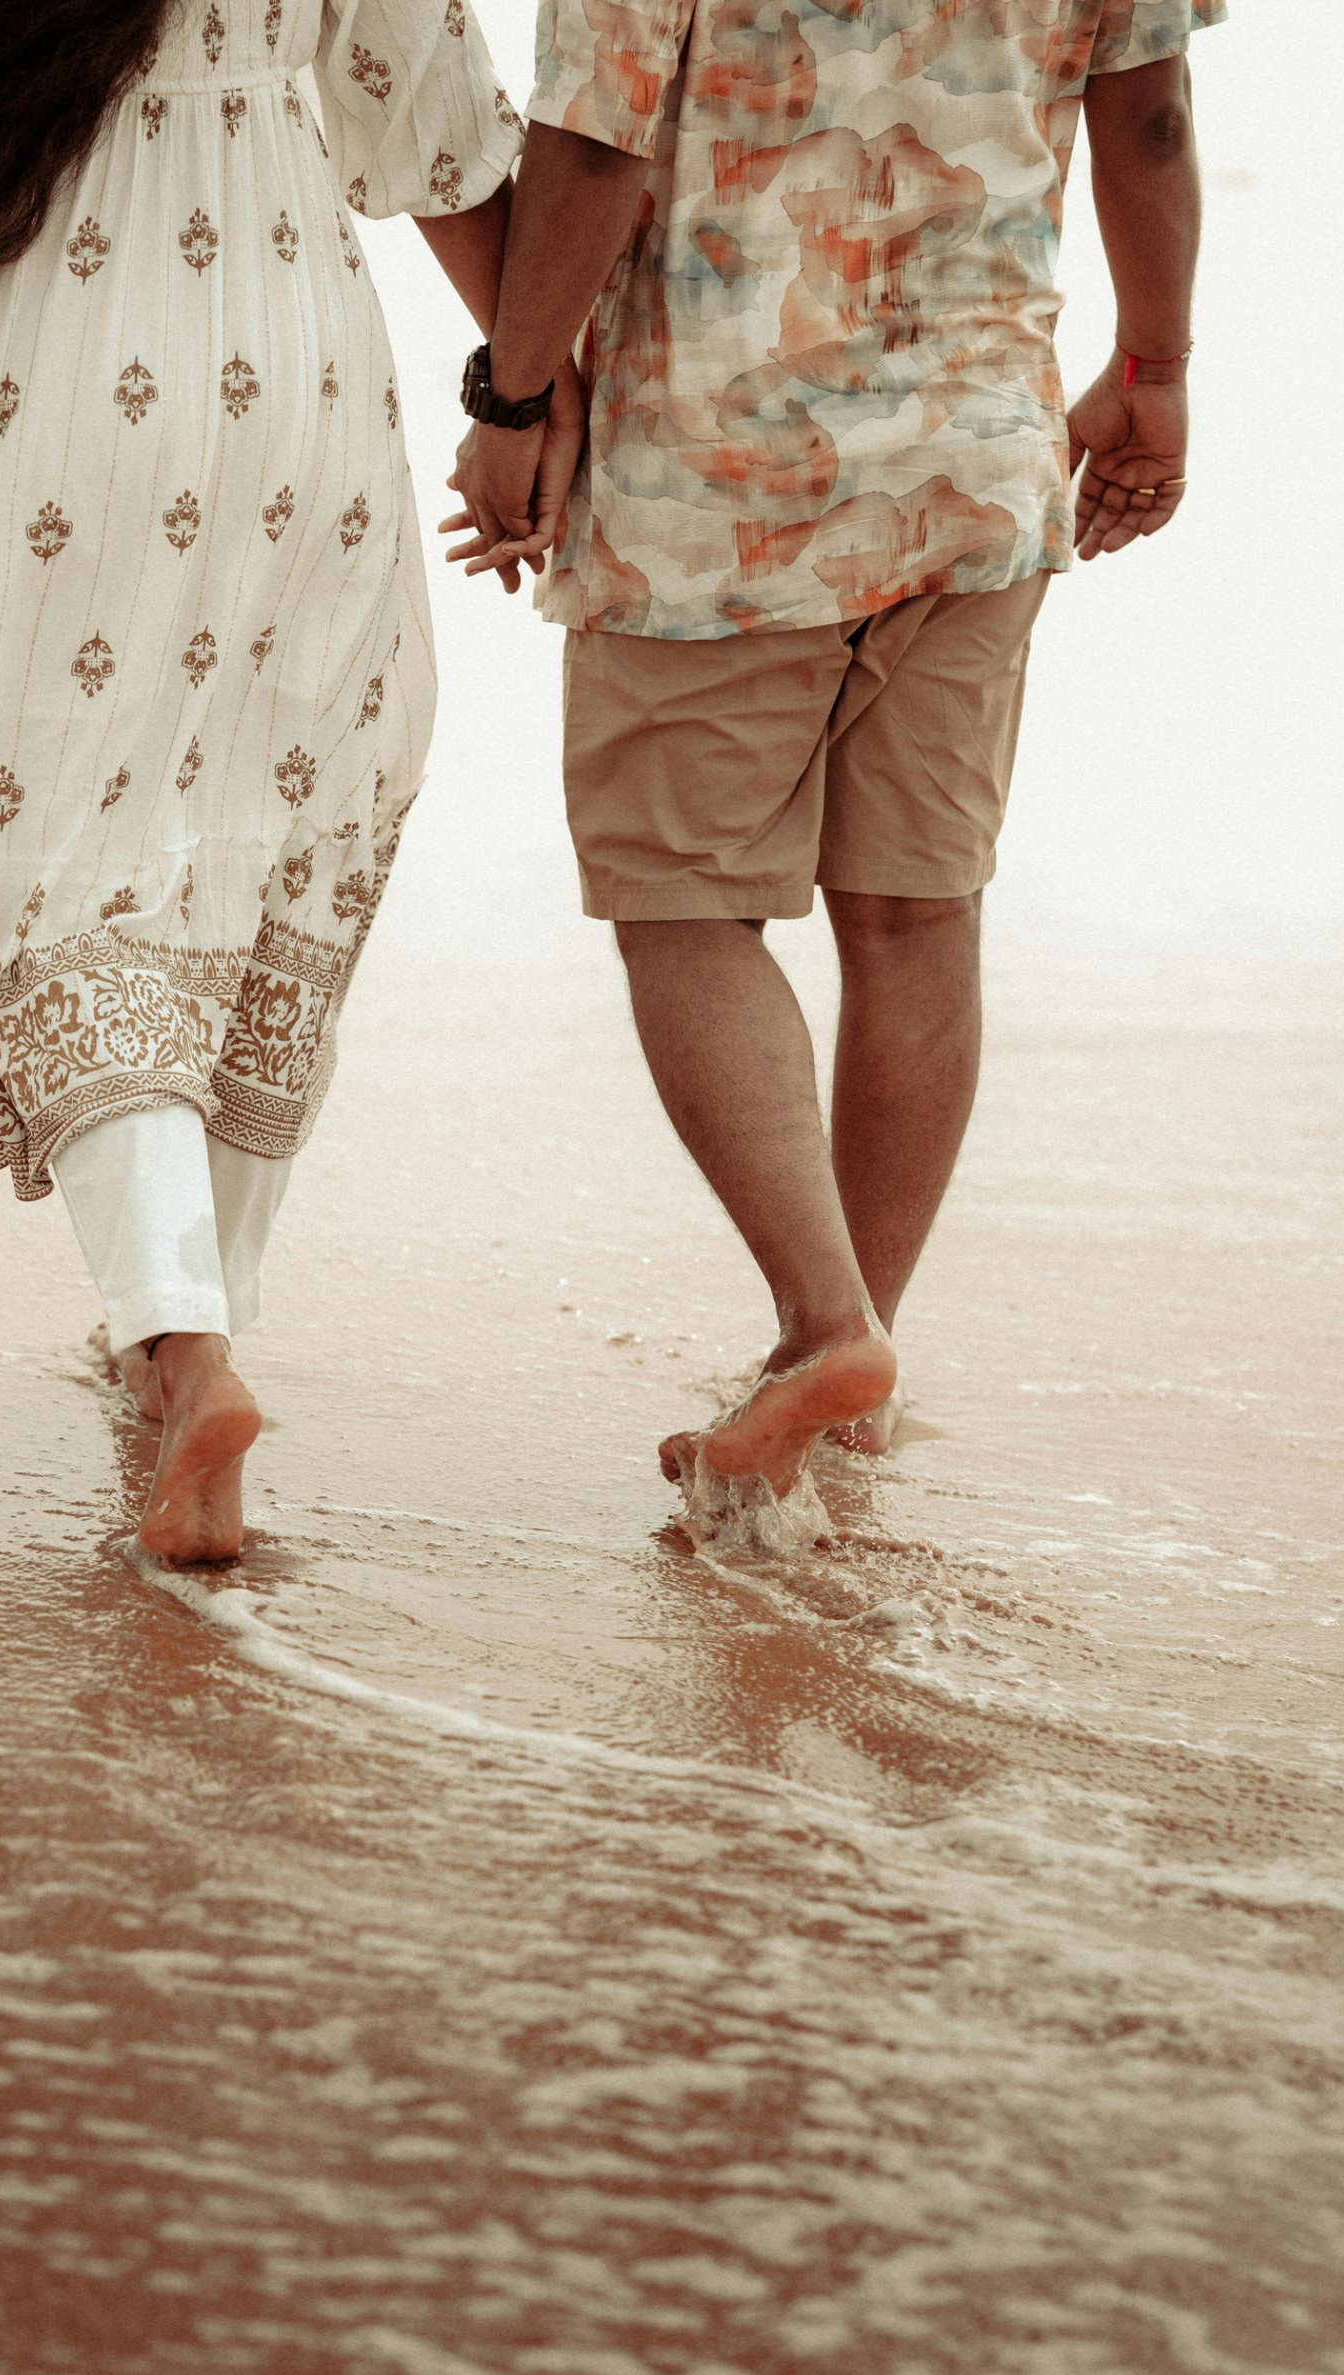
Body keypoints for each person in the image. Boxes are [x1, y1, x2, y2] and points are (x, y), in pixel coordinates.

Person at [0, 0, 535, 1564]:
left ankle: (184, 1342)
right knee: (263, 835)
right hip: (291, 371)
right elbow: (437, 134)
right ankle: (199, 1317)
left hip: (28, 381)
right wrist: (539, 388)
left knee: (63, 870)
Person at [446, 0, 1222, 1499]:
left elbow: (596, 140)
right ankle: (855, 1373)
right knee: (916, 911)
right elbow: (1151, 112)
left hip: (709, 478)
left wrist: (517, 391)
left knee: (682, 901)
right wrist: (1158, 368)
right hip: (977, 462)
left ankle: (824, 1329)